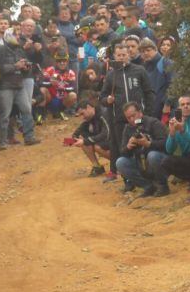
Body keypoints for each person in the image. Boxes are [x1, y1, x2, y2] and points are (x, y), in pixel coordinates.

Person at [100, 44, 154, 181]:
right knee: (123, 148)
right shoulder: (111, 75)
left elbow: (149, 92)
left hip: (138, 118)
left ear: (129, 55)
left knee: (142, 144)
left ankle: (148, 174)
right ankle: (128, 180)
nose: (122, 57)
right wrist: (108, 100)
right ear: (114, 57)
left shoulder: (139, 70)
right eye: (119, 55)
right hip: (119, 119)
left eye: (124, 55)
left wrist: (147, 112)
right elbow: (102, 97)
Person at [0, 28, 39, 149]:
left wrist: (26, 67)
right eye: (15, 35)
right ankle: (2, 141)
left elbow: (25, 70)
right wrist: (15, 66)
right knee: (5, 115)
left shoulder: (19, 50)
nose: (18, 37)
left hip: (19, 84)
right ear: (8, 36)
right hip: (5, 86)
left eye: (19, 35)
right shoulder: (0, 51)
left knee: (27, 110)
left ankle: (29, 137)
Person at [115, 102, 169, 197]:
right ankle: (148, 186)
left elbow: (166, 144)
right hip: (141, 163)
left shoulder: (153, 123)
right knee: (120, 162)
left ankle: (163, 186)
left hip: (159, 161)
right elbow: (122, 152)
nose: (132, 119)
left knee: (152, 155)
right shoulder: (128, 128)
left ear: (140, 112)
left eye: (133, 115)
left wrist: (148, 144)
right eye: (128, 118)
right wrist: (128, 146)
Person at [71, 99, 111, 177]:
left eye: (82, 113)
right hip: (105, 141)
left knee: (96, 146)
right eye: (80, 115)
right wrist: (73, 139)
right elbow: (79, 131)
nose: (82, 117)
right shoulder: (90, 117)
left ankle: (116, 164)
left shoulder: (103, 114)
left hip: (116, 142)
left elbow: (106, 134)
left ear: (89, 107)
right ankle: (97, 167)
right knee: (83, 140)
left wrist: (87, 140)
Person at [140, 38, 173, 119]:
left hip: (165, 110)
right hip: (150, 111)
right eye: (143, 51)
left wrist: (167, 103)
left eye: (148, 50)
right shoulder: (143, 67)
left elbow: (173, 85)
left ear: (155, 49)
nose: (146, 53)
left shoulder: (166, 62)